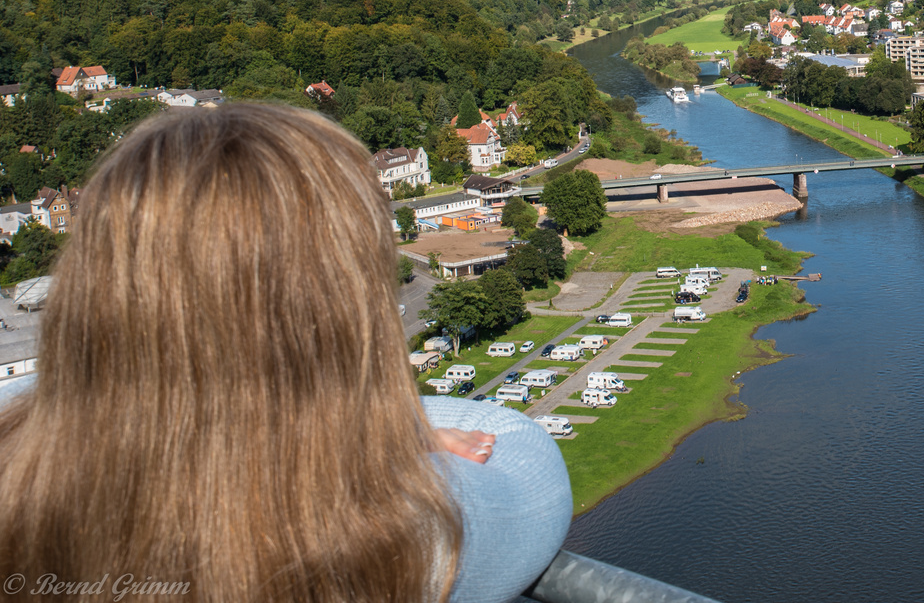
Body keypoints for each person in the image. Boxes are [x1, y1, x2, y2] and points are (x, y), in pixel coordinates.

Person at [0, 103, 572, 603]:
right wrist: (389, 428)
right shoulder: (396, 531)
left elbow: (35, 393)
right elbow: (522, 456)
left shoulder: (21, 490)